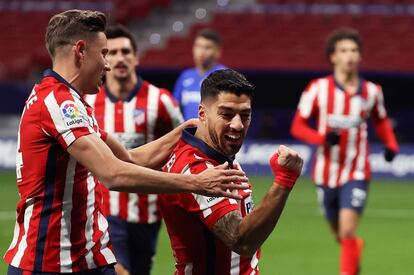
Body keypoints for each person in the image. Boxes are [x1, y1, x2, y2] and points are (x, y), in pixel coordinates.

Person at [4, 10, 249, 275]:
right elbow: (113, 175)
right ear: (80, 51)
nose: (107, 64)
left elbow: (129, 159)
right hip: (50, 263)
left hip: (85, 258)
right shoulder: (59, 104)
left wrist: (179, 134)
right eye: (104, 53)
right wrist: (197, 183)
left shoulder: (72, 102)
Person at [159, 69, 304, 274]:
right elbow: (241, 241)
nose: (237, 125)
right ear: (202, 114)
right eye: (226, 114)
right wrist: (284, 181)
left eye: (245, 116)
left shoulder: (219, 154)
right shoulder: (198, 170)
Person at [290, 28, 399, 275]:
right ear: (333, 57)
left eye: (353, 50)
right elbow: (297, 126)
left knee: (347, 229)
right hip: (325, 171)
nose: (349, 55)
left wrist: (391, 145)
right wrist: (321, 138)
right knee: (339, 233)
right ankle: (353, 249)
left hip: (357, 169)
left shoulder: (372, 91)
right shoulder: (317, 88)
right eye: (343, 51)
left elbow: (381, 121)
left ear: (360, 56)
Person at [84, 24, 184, 275]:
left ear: (136, 57)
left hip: (147, 211)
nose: (120, 58)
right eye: (112, 52)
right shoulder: (87, 102)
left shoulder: (160, 100)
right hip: (105, 209)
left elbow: (181, 143)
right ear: (104, 60)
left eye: (126, 52)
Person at [172, 28, 226, 120]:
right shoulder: (185, 76)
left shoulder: (225, 76)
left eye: (207, 47)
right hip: (187, 133)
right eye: (198, 46)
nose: (201, 51)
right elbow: (174, 108)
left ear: (218, 52)